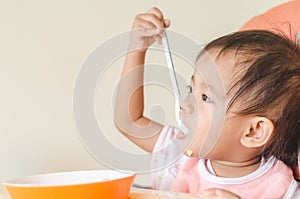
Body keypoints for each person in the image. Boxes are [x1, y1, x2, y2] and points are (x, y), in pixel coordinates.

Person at [114, 7, 300, 198]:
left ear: (254, 131)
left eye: (205, 97)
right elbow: (128, 121)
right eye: (190, 89)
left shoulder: (279, 187)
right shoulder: (177, 154)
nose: (184, 103)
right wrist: (137, 49)